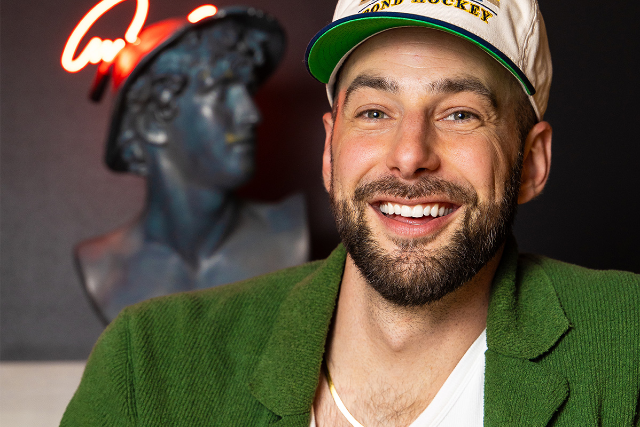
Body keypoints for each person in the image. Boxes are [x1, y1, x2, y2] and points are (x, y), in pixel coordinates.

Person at [62, 0, 640, 425]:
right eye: (374, 112)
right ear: (329, 150)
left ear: (533, 162)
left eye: (460, 113)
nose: (409, 155)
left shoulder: (628, 348)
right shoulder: (148, 362)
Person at [74, 7, 309, 323]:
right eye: (221, 92)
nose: (251, 114)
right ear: (152, 122)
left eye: (246, 91)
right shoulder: (104, 267)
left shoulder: (289, 235)